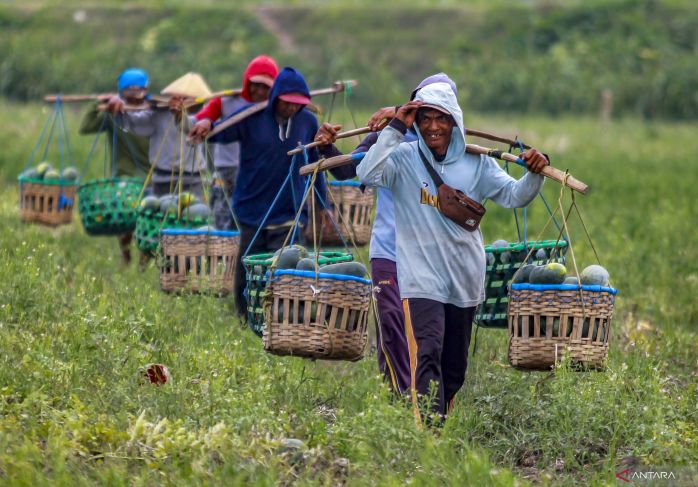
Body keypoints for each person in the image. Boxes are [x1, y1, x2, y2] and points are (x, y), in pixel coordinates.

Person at [356, 82, 549, 423]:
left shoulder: (478, 164)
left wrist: (535, 172)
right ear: (416, 121)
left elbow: (515, 196)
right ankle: (429, 434)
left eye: (441, 119)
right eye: (425, 118)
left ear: (455, 123)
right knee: (427, 352)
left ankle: (439, 425)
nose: (433, 127)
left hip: (464, 280)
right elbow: (366, 173)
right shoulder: (402, 159)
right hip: (419, 281)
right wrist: (397, 127)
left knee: (454, 368)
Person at [314, 74, 458, 396]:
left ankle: (428, 398)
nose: (433, 121)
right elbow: (348, 169)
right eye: (424, 108)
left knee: (429, 334)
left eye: (441, 113)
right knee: (391, 323)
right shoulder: (392, 135)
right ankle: (400, 397)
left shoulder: (453, 145)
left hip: (433, 257)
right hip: (389, 252)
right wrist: (327, 148)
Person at [205, 66, 329, 317]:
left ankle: (287, 322)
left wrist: (322, 203)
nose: (292, 108)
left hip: (290, 209)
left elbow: (316, 164)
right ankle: (245, 317)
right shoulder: (251, 117)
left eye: (297, 104)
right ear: (276, 98)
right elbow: (218, 133)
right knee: (249, 269)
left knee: (289, 270)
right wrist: (206, 123)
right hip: (251, 207)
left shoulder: (308, 122)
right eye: (286, 103)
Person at [185, 55, 279, 230]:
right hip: (227, 173)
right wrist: (197, 120)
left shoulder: (277, 108)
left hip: (260, 173)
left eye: (265, 87)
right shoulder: (226, 101)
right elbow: (197, 123)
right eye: (255, 85)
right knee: (223, 224)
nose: (259, 91)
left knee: (252, 226)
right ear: (247, 82)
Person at [79, 68, 152, 266]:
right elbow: (85, 128)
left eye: (138, 90)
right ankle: (127, 254)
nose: (134, 95)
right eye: (129, 91)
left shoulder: (155, 113)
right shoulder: (113, 114)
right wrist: (99, 105)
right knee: (127, 219)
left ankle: (144, 259)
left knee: (148, 220)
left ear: (145, 90)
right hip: (125, 176)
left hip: (151, 176)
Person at [106, 73, 211, 200]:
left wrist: (179, 115)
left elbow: (189, 127)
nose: (183, 100)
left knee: (195, 214)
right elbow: (134, 123)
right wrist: (118, 112)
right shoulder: (160, 112)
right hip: (163, 179)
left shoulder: (205, 116)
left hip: (193, 180)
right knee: (162, 213)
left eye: (189, 98)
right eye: (180, 96)